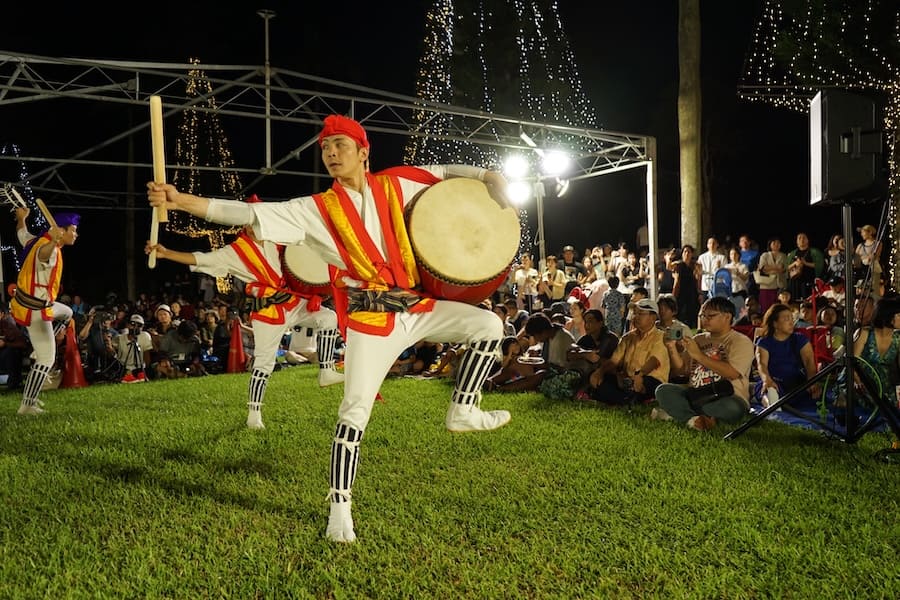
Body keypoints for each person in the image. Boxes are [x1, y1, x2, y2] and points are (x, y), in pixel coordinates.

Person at [147, 114, 512, 543]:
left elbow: (447, 173)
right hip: (371, 319)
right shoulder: (315, 210)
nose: (331, 153)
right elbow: (248, 212)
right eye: (325, 148)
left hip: (418, 305)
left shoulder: (399, 185)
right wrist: (182, 200)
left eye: (339, 144)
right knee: (354, 413)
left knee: (488, 324)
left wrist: (489, 175)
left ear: (363, 151)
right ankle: (340, 508)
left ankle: (463, 409)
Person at [146, 220, 345, 430]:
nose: (258, 226)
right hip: (268, 313)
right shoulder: (236, 252)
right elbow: (202, 259)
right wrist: (166, 253)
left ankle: (326, 370)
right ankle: (254, 413)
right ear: (246, 226)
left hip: (295, 303)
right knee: (264, 365)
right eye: (253, 223)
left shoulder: (277, 240)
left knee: (328, 318)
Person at [10, 206, 79, 415]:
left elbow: (22, 233)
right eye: (73, 230)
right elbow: (42, 256)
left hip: (31, 305)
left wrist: (22, 218)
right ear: (62, 231)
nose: (76, 234)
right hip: (36, 311)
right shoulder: (49, 249)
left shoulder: (34, 241)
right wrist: (53, 242)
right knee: (47, 359)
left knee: (68, 312)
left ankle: (38, 347)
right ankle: (27, 404)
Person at [653, 296, 755, 430]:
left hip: (727, 396)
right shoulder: (698, 339)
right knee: (663, 390)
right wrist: (671, 348)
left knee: (731, 408)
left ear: (727, 317)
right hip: (696, 394)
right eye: (702, 315)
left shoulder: (740, 341)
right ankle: (694, 419)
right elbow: (681, 370)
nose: (704, 319)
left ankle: (678, 414)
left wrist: (699, 355)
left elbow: (732, 373)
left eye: (710, 316)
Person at [588, 298, 669, 405]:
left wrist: (640, 376)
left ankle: (621, 398)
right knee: (602, 378)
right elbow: (614, 361)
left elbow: (654, 361)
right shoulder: (628, 337)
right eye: (635, 313)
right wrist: (600, 372)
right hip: (627, 380)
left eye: (641, 314)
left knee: (644, 383)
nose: (636, 317)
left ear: (653, 317)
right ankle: (626, 398)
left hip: (650, 378)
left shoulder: (661, 337)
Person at [754, 303, 819, 408]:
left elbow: (809, 362)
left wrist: (812, 380)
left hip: (797, 382)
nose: (791, 322)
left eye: (791, 318)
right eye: (786, 319)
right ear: (775, 324)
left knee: (812, 398)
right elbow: (762, 364)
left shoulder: (800, 339)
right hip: (774, 381)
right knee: (770, 393)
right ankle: (772, 410)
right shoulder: (764, 342)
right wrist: (767, 380)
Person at [0, 302, 29, 390]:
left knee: (10, 354)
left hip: (16, 349)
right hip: (9, 349)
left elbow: (3, 342)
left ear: (2, 314)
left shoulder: (7, 322)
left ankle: (14, 383)